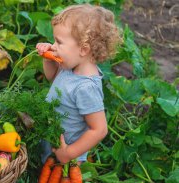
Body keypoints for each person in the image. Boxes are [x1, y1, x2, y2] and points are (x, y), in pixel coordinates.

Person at [36, 4, 122, 164]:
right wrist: (48, 59)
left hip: (66, 157)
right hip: (51, 140)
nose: (53, 46)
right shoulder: (69, 66)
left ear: (83, 49)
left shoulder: (86, 88)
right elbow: (53, 78)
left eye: (59, 42)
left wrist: (69, 153)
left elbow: (99, 129)